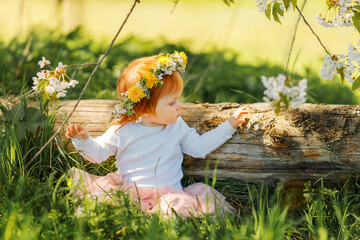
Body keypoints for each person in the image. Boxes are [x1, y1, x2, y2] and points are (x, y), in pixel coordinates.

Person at [65, 51, 248, 218]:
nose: (180, 106)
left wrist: (229, 125)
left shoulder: (176, 126)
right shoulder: (123, 130)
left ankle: (168, 227)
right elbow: (98, 153)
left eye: (178, 99)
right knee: (104, 200)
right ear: (143, 109)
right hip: (130, 191)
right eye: (172, 102)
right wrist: (83, 141)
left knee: (173, 208)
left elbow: (199, 147)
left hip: (169, 194)